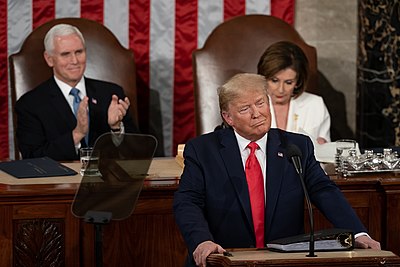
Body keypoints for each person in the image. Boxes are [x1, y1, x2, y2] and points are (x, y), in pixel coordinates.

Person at [173, 73, 380, 267]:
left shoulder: (296, 146)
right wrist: (202, 241)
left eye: (261, 103)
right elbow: (187, 201)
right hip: (223, 259)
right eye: (245, 109)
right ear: (228, 117)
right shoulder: (203, 151)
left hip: (282, 260)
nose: (257, 114)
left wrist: (359, 233)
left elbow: (323, 190)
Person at [15, 23, 138, 161]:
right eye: (65, 54)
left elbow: (136, 152)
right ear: (49, 59)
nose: (74, 61)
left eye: (79, 52)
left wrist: (116, 128)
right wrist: (77, 134)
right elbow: (32, 157)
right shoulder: (30, 104)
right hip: (58, 181)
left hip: (107, 179)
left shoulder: (111, 94)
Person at [257, 41, 330, 145]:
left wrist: (323, 147)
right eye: (274, 80)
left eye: (288, 82)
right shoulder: (250, 106)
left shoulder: (315, 105)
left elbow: (326, 154)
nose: (281, 89)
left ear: (298, 82)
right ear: (264, 77)